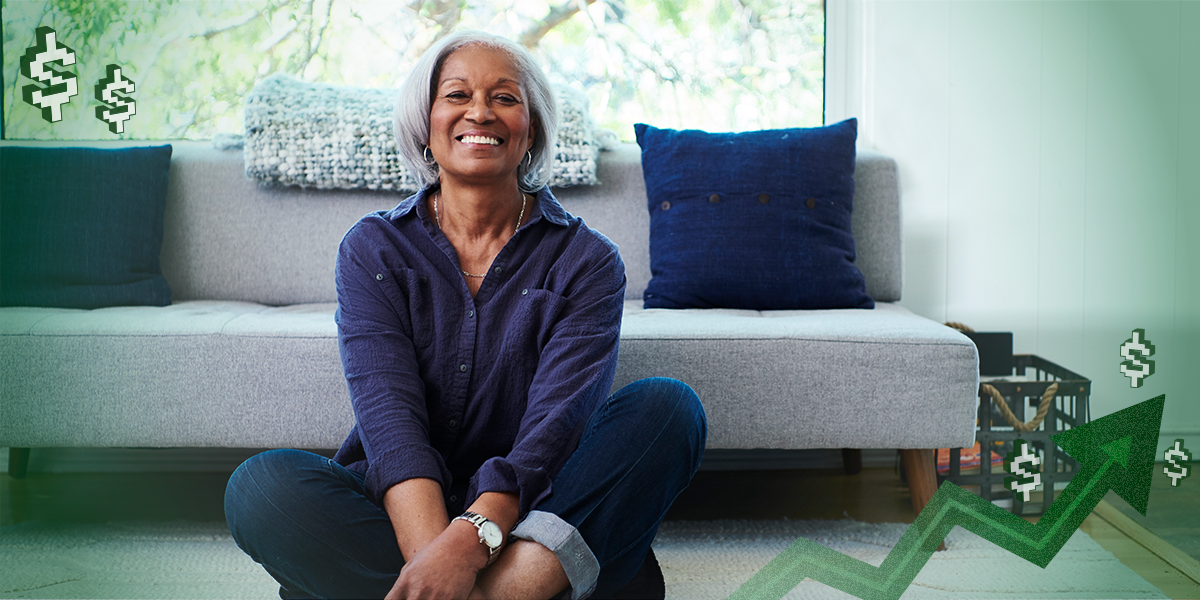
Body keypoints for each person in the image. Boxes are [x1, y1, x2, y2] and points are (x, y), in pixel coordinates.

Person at [224, 30, 707, 600]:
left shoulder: (587, 260)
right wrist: (439, 553)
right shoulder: (373, 248)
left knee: (669, 407)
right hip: (403, 513)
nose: (480, 110)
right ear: (425, 125)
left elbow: (553, 433)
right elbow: (391, 425)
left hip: (535, 512)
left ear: (531, 130)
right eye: (456, 95)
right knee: (260, 487)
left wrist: (469, 543)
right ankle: (524, 591)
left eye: (505, 97)